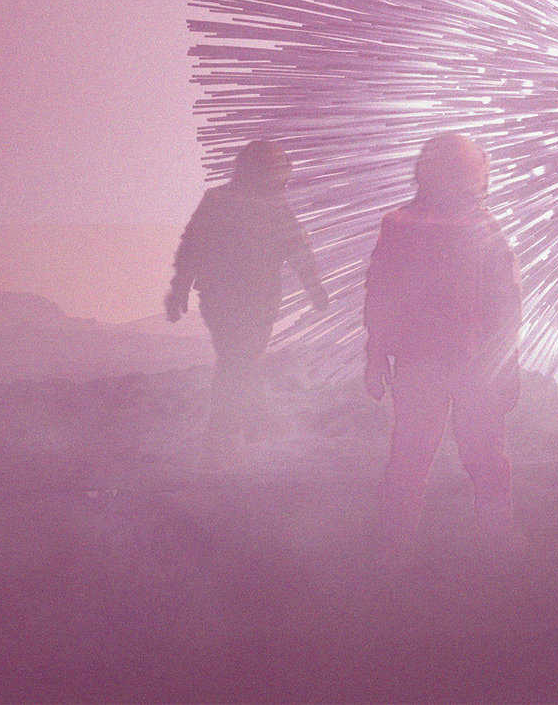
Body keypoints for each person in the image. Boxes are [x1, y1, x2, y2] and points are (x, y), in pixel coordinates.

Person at [363, 131, 522, 547]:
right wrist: (508, 366)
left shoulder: (399, 224)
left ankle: (394, 547)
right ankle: (496, 543)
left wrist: (375, 356)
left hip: (425, 359)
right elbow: (506, 303)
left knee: (412, 457)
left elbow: (380, 294)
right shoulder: (481, 226)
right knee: (482, 457)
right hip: (472, 360)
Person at [165, 138, 328, 464]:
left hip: (233, 299)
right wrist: (314, 288)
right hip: (246, 299)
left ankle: (247, 425)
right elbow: (297, 249)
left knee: (239, 359)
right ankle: (223, 435)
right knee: (238, 361)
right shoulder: (261, 205)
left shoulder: (224, 201)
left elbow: (192, 245)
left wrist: (180, 288)